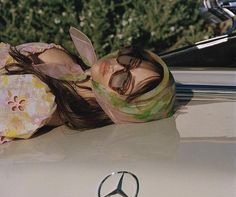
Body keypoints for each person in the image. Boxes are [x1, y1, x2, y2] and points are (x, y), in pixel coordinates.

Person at [0, 27, 176, 144]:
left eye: (123, 80)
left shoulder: (42, 104)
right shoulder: (66, 62)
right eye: (129, 60)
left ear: (121, 108)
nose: (116, 66)